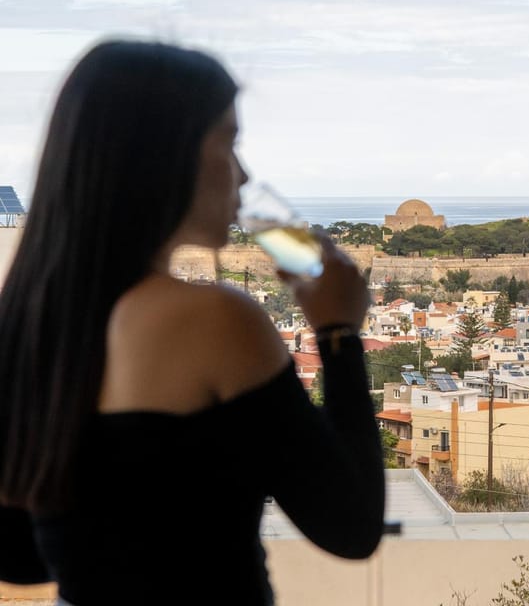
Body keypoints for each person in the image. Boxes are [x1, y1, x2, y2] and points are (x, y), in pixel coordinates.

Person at [0, 40, 384, 605]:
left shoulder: (32, 323)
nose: (244, 173)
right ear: (163, 156)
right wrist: (336, 332)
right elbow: (351, 527)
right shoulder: (213, 318)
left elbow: (20, 556)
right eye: (229, 143)